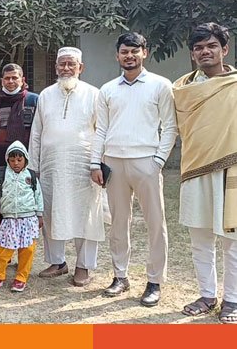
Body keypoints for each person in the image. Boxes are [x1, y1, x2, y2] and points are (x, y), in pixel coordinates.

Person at [91, 32, 178, 307]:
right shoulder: (107, 89)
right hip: (113, 162)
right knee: (118, 222)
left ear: (144, 53)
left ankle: (154, 281)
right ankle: (120, 276)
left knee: (155, 223)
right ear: (117, 55)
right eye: (124, 51)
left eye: (134, 51)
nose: (129, 56)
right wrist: (95, 162)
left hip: (146, 162)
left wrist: (158, 161)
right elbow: (101, 129)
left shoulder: (160, 85)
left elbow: (170, 127)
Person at [173, 23, 237, 324]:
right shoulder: (182, 89)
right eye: (198, 47)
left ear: (224, 49)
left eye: (211, 46)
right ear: (192, 54)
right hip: (194, 168)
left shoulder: (234, 84)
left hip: (231, 167)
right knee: (199, 238)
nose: (205, 52)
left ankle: (232, 299)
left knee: (231, 241)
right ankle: (207, 295)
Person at [28, 48, 106, 286]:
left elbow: (101, 132)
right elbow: (37, 132)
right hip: (51, 166)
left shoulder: (94, 94)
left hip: (83, 166)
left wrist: (97, 163)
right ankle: (57, 262)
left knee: (86, 215)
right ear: (56, 67)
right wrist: (33, 166)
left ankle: (83, 266)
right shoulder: (45, 95)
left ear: (80, 68)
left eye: (71, 64)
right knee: (51, 212)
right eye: (61, 64)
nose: (66, 68)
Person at [0, 63, 39, 269]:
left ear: (22, 79)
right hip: (2, 165)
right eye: (7, 78)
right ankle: (3, 254)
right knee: (4, 210)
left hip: (27, 166)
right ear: (2, 81)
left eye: (15, 77)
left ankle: (22, 254)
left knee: (24, 210)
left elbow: (39, 133)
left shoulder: (34, 101)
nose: (11, 81)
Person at [0, 141, 43, 293]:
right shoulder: (1, 173)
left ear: (25, 159)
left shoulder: (31, 175)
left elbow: (38, 195)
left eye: (19, 160)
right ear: (7, 160)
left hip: (28, 219)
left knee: (27, 251)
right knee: (4, 251)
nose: (16, 163)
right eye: (12, 160)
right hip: (9, 219)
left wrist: (39, 214)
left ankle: (21, 278)